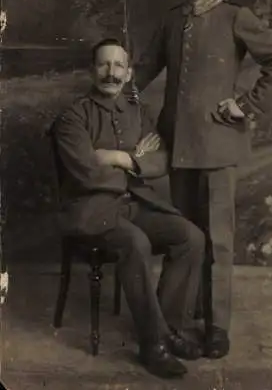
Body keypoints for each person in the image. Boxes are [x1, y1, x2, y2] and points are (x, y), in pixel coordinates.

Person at [132, 0, 272, 359]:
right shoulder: (171, 21)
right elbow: (142, 72)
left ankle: (217, 327)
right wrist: (112, 103)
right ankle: (178, 323)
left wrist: (246, 104)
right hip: (179, 149)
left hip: (220, 146)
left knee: (219, 241)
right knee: (188, 238)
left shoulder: (235, 17)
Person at [51, 38, 205, 378]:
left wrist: (119, 158)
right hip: (91, 210)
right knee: (136, 242)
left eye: (118, 66)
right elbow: (86, 172)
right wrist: (136, 161)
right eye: (104, 65)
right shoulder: (73, 118)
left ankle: (168, 328)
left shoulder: (137, 113)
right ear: (92, 71)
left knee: (190, 237)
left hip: (133, 205)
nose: (111, 73)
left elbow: (161, 160)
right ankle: (153, 345)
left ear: (129, 72)